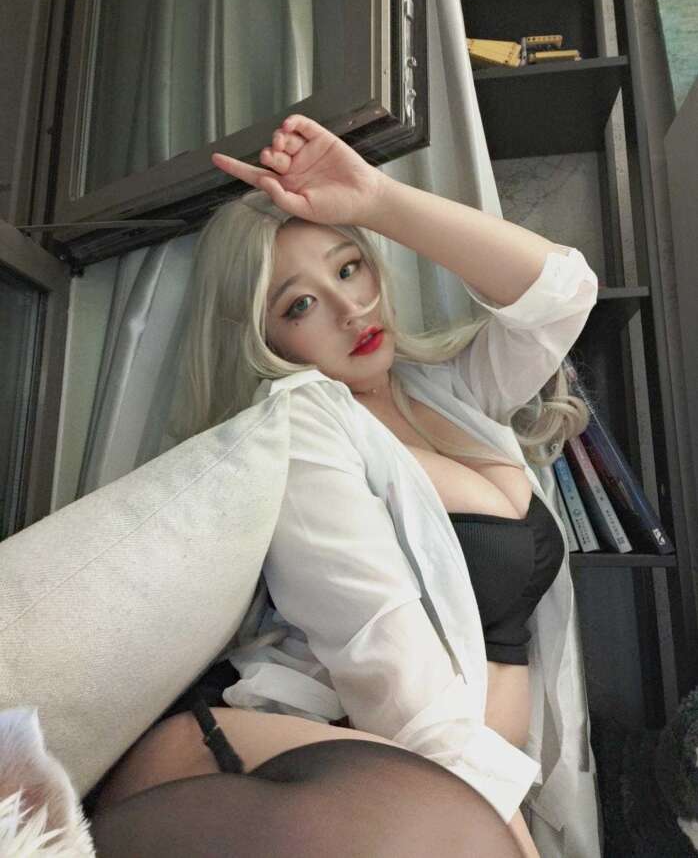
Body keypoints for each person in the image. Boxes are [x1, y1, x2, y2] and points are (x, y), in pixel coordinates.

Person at [88, 114, 599, 857]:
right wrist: (501, 831)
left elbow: (562, 292)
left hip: (432, 785)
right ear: (265, 340)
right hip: (296, 767)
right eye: (299, 304)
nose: (349, 307)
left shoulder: (452, 391)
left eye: (349, 267)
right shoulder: (302, 426)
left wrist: (375, 199)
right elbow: (384, 657)